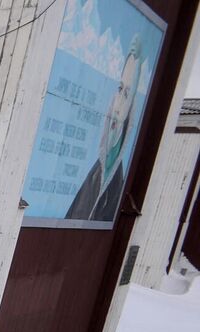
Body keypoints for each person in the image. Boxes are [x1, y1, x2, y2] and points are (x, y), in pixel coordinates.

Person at [67, 39, 145, 223]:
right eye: (120, 89)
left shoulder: (116, 183)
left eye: (127, 94)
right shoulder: (96, 169)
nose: (117, 106)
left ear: (132, 106)